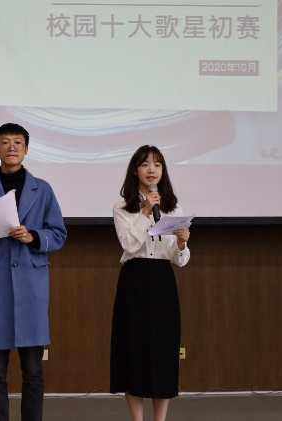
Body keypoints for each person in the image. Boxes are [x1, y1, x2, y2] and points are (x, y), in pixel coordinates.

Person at [0, 123, 67, 421]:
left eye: (18, 142)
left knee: (33, 369)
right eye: (5, 142)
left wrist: (33, 236)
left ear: (26, 149)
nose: (11, 147)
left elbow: (59, 234)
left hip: (32, 286)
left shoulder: (43, 189)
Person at [110, 145, 191, 421]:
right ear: (135, 170)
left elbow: (179, 259)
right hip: (134, 280)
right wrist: (145, 212)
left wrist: (181, 243)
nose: (151, 169)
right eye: (145, 164)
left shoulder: (173, 208)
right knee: (133, 349)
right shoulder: (122, 208)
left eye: (157, 164)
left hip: (162, 281)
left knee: (162, 351)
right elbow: (129, 245)